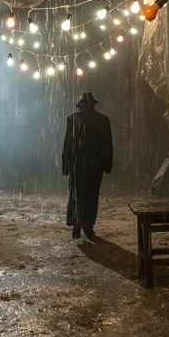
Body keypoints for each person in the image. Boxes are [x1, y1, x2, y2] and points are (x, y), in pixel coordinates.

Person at [62, 92, 113, 239]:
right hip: (89, 165)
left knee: (79, 194)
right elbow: (107, 145)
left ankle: (82, 224)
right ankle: (84, 225)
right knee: (87, 195)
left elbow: (68, 144)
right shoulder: (102, 120)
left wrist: (67, 164)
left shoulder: (74, 118)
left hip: (82, 164)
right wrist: (106, 164)